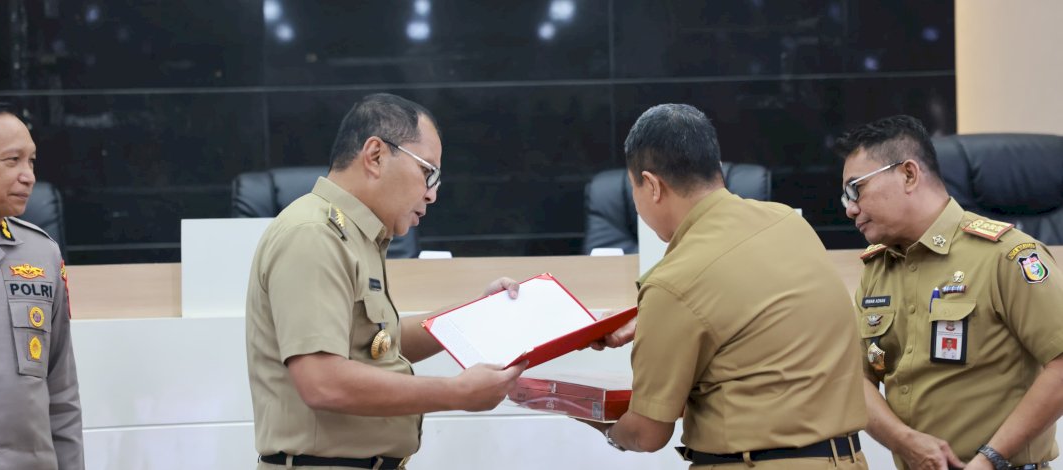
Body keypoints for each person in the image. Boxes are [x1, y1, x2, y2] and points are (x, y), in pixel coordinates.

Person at [245, 93, 526, 470]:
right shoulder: (313, 234)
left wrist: (475, 314)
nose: (432, 193)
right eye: (429, 172)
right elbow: (322, 380)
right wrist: (456, 392)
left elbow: (377, 345)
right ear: (375, 155)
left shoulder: (356, 236)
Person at [583, 103, 868, 469]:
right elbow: (753, 325)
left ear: (651, 185)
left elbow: (647, 434)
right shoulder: (788, 222)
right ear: (716, 169)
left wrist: (595, 421)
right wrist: (652, 324)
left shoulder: (673, 282)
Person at [836, 115, 1063, 470]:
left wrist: (990, 459)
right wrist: (905, 442)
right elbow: (856, 378)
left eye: (856, 189)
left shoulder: (1005, 255)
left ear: (908, 174)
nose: (850, 209)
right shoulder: (876, 270)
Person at [0, 101, 84, 469]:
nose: (28, 175)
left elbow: (61, 394)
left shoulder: (42, 254)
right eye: (12, 161)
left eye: (31, 161)